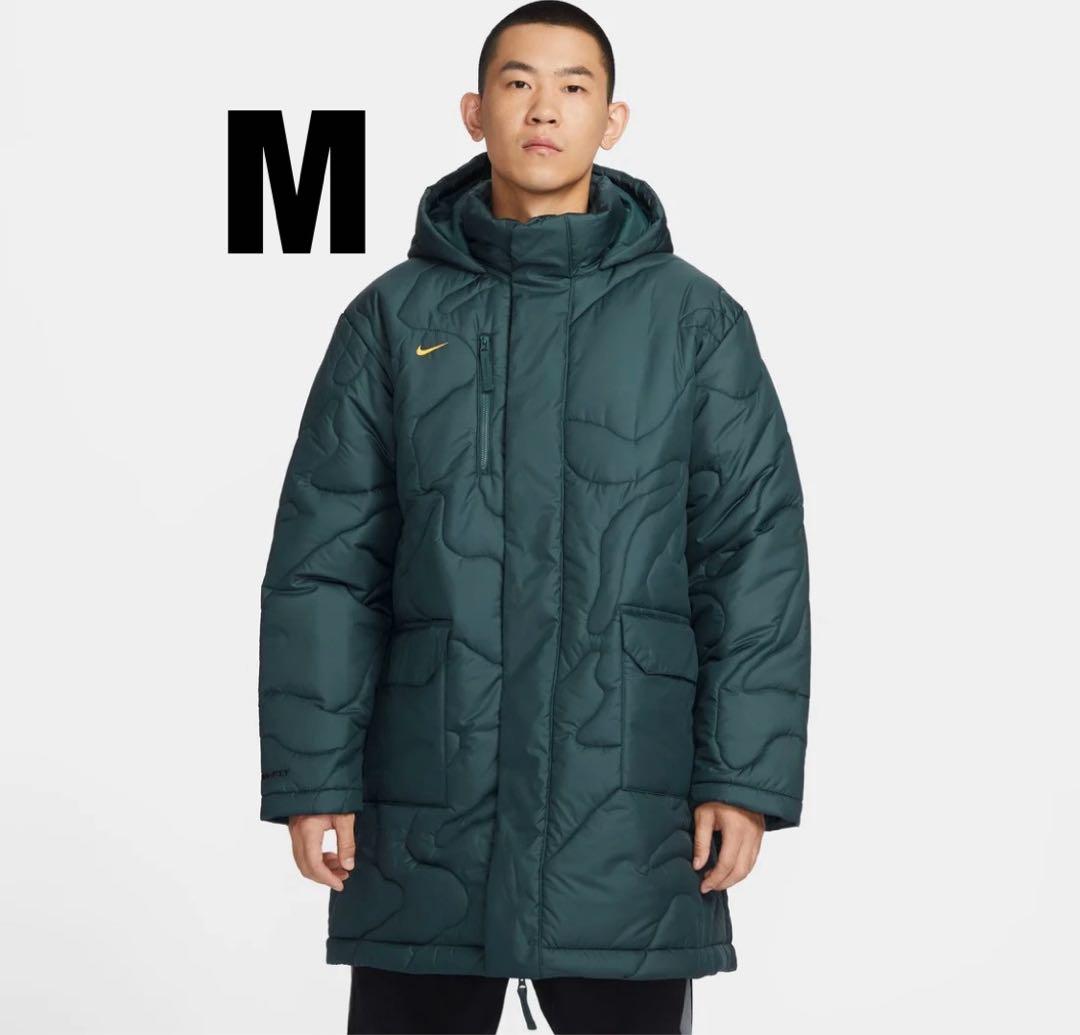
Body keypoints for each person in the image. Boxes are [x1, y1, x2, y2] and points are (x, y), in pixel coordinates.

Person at [257, 2, 812, 1032]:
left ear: (613, 119)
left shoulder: (693, 321)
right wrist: (313, 775)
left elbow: (752, 556)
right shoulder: (392, 320)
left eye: (573, 86)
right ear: (475, 112)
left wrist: (741, 775)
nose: (543, 108)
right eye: (517, 83)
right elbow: (326, 564)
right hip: (430, 796)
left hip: (628, 805)